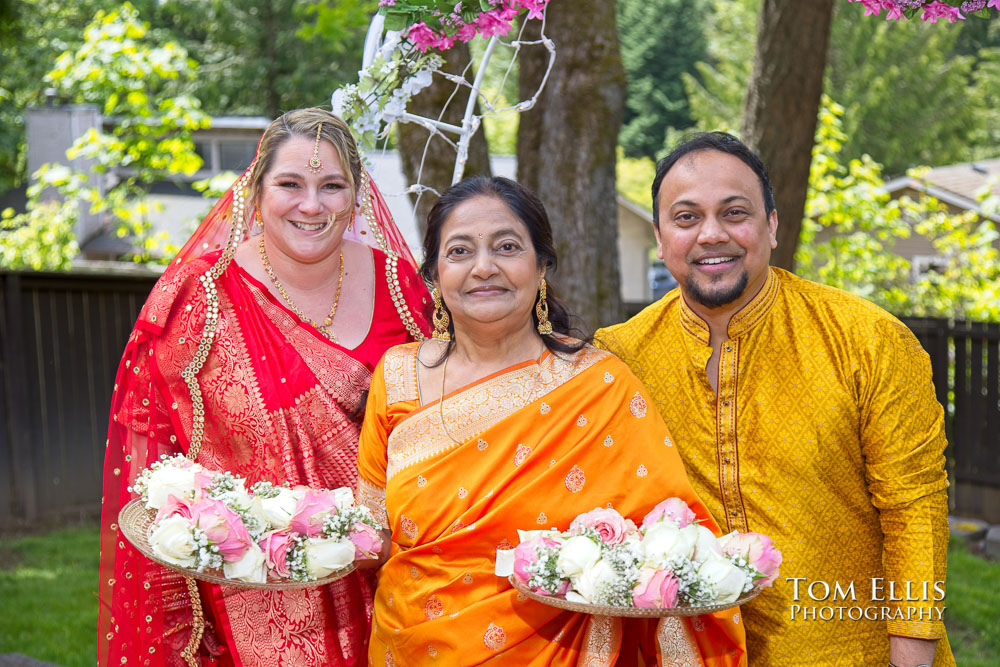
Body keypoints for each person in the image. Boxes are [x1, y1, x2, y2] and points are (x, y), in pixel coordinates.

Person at [356, 176, 747, 666]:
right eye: (459, 251)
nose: (483, 267)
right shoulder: (397, 375)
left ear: (541, 266)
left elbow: (664, 541)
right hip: (408, 643)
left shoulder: (598, 386)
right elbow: (372, 532)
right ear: (434, 274)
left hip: (554, 648)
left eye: (507, 247)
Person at [597, 132, 953, 667]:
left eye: (734, 212)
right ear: (660, 236)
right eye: (686, 217)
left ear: (773, 225)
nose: (711, 235)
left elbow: (915, 509)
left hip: (847, 650)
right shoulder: (621, 357)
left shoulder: (867, 340)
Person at [97, 108, 431, 666]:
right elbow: (155, 445)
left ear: (357, 197)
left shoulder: (402, 286)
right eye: (290, 184)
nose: (311, 205)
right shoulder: (202, 298)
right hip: (247, 587)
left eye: (332, 186)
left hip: (386, 573)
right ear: (255, 190)